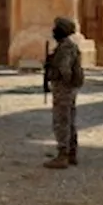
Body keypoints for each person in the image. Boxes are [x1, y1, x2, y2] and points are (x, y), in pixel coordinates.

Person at [42, 16, 85, 169]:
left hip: (63, 89)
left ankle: (63, 155)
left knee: (61, 121)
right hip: (68, 89)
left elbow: (64, 69)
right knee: (69, 120)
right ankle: (71, 153)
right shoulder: (68, 46)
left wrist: (57, 77)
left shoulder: (65, 48)